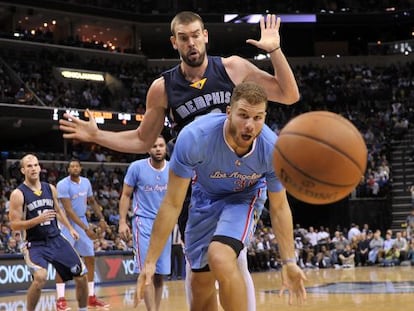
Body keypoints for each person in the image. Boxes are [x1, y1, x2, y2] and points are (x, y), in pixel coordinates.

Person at [59, 12, 300, 310]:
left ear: (206, 36)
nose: (192, 42)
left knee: (229, 257)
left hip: (237, 180)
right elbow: (142, 140)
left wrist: (275, 51)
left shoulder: (233, 68)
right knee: (198, 270)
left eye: (196, 35)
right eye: (184, 38)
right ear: (175, 42)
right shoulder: (163, 88)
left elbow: (289, 94)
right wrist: (98, 136)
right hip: (194, 184)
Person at [136, 82, 306, 311]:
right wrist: (149, 262)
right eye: (243, 115)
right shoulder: (195, 138)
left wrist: (289, 261)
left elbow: (279, 207)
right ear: (228, 112)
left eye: (258, 118)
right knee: (200, 284)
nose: (249, 125)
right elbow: (172, 203)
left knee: (220, 256)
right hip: (204, 198)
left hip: (244, 198)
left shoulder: (273, 149)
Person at [8, 154, 89, 311]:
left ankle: (83, 309)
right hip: (35, 244)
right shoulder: (18, 194)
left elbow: (58, 211)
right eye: (29, 166)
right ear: (23, 170)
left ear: (40, 168)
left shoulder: (49, 188)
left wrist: (71, 228)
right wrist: (38, 220)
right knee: (40, 278)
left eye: (36, 165)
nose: (33, 168)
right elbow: (14, 225)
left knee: (82, 276)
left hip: (56, 239)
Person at [118, 136, 170, 311]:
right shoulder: (137, 168)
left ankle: (156, 308)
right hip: (144, 223)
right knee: (147, 271)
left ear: (166, 149)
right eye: (154, 146)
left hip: (165, 225)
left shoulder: (173, 170)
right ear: (149, 149)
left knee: (160, 275)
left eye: (161, 145)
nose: (158, 149)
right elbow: (125, 195)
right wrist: (122, 222)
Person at [55, 159, 109, 311]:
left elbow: (92, 200)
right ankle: (60, 299)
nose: (74, 168)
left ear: (81, 168)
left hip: (82, 221)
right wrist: (86, 228)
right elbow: (69, 211)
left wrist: (102, 218)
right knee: (62, 262)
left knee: (90, 258)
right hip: (67, 224)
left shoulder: (86, 182)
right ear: (68, 169)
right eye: (71, 166)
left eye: (76, 166)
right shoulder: (62, 185)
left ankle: (91, 297)